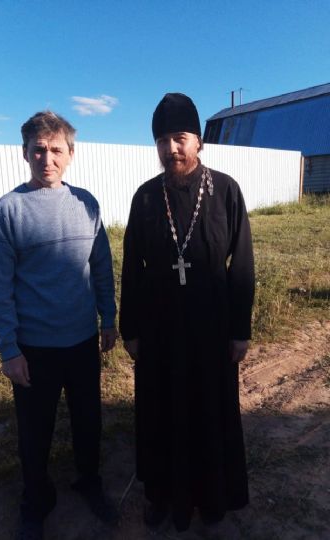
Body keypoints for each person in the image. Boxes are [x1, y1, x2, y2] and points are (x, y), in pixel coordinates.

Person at [119, 93, 255, 532]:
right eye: (163, 141)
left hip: (212, 327)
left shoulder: (226, 190)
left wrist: (240, 330)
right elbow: (132, 268)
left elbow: (242, 265)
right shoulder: (145, 198)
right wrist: (130, 329)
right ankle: (162, 495)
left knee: (209, 411)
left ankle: (211, 497)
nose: (171, 148)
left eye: (180, 138)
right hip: (159, 329)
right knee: (160, 412)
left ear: (198, 141)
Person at [0, 111, 117, 540]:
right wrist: (9, 349)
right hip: (34, 348)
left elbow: (101, 267)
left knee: (88, 421)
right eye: (38, 150)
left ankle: (89, 482)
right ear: (24, 153)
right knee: (34, 432)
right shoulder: (6, 212)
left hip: (82, 340)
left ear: (71, 154)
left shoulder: (86, 205)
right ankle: (36, 503)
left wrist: (109, 318)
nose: (47, 159)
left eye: (56, 150)